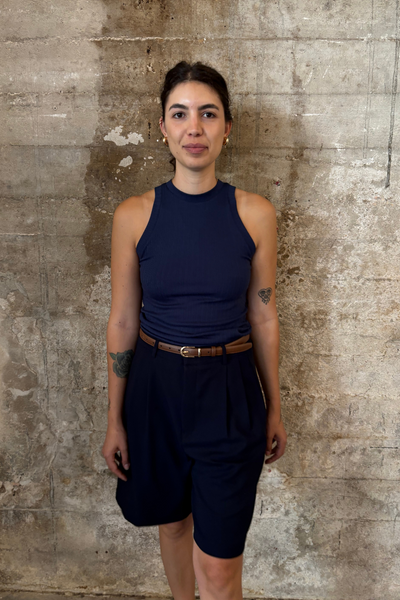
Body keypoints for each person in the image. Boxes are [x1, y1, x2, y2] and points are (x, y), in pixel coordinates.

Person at [102, 61, 287, 600]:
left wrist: (275, 406)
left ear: (227, 127)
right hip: (155, 390)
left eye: (208, 114)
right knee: (173, 525)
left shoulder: (255, 213)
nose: (194, 128)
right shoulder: (133, 215)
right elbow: (122, 320)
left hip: (229, 390)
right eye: (180, 114)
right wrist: (114, 419)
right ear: (162, 127)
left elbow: (263, 315)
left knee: (220, 567)